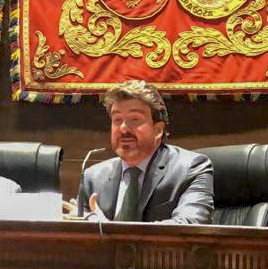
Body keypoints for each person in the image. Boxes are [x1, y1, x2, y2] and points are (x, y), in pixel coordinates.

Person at [78, 80, 213, 224]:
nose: (123, 128)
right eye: (117, 120)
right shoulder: (93, 178)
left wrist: (109, 230)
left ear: (158, 130)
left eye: (135, 119)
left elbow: (190, 224)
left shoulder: (190, 168)